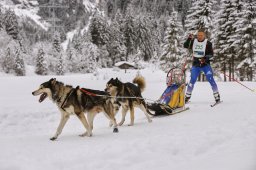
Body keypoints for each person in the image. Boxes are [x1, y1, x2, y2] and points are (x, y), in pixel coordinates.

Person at [184, 28, 220, 103]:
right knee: (192, 80)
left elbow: (211, 54)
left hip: (205, 65)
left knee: (211, 80)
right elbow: (186, 45)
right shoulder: (194, 41)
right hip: (196, 64)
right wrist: (189, 39)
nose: (199, 36)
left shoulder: (208, 43)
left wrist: (205, 58)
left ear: (204, 35)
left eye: (201, 35)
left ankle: (217, 96)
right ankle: (187, 97)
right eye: (198, 35)